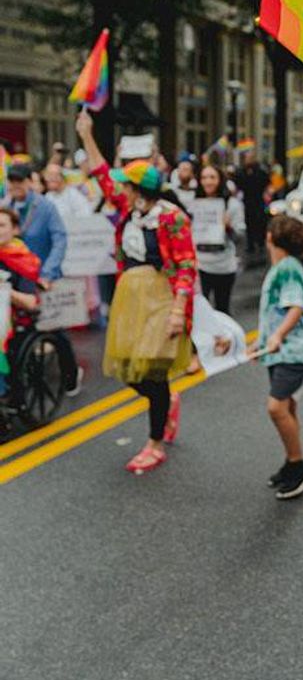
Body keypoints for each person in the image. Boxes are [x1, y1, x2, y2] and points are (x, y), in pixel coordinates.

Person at [76, 109, 196, 474]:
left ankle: (154, 442)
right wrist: (86, 134)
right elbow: (100, 173)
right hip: (131, 295)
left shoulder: (171, 217)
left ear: (136, 189)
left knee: (152, 372)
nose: (119, 189)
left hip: (160, 298)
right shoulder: (129, 208)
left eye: (125, 184)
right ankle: (165, 403)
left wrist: (179, 311)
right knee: (129, 369)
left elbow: (186, 267)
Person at [251, 215, 303, 499]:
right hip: (282, 350)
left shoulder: (288, 268)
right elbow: (273, 312)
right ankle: (292, 463)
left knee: (276, 407)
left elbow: (295, 307)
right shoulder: (281, 267)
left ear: (270, 237)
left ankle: (299, 466)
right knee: (287, 407)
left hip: (295, 350)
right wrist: (261, 341)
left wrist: (277, 336)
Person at [4, 162, 82, 396]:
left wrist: (47, 273)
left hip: (42, 273)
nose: (16, 186)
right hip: (14, 273)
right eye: (12, 181)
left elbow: (59, 239)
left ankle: (70, 374)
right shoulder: (6, 205)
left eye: (20, 181)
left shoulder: (45, 207)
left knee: (54, 327)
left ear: (29, 181)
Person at [0, 208, 41, 402]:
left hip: (14, 318)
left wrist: (6, 290)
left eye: (2, 225)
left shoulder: (24, 260)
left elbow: (30, 302)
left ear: (15, 229)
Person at [193, 165, 245, 314]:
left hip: (224, 264)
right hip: (200, 263)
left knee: (222, 309)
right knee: (200, 310)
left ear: (220, 180)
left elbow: (240, 237)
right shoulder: (195, 204)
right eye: (204, 178)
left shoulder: (232, 205)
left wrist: (228, 227)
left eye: (212, 177)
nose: (208, 182)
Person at [238, 151, 269, 258]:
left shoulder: (260, 171)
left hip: (258, 200)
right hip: (248, 201)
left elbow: (266, 182)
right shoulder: (242, 171)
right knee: (249, 222)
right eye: (247, 158)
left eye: (251, 158)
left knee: (260, 221)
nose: (249, 160)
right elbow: (239, 183)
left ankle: (260, 242)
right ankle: (250, 243)